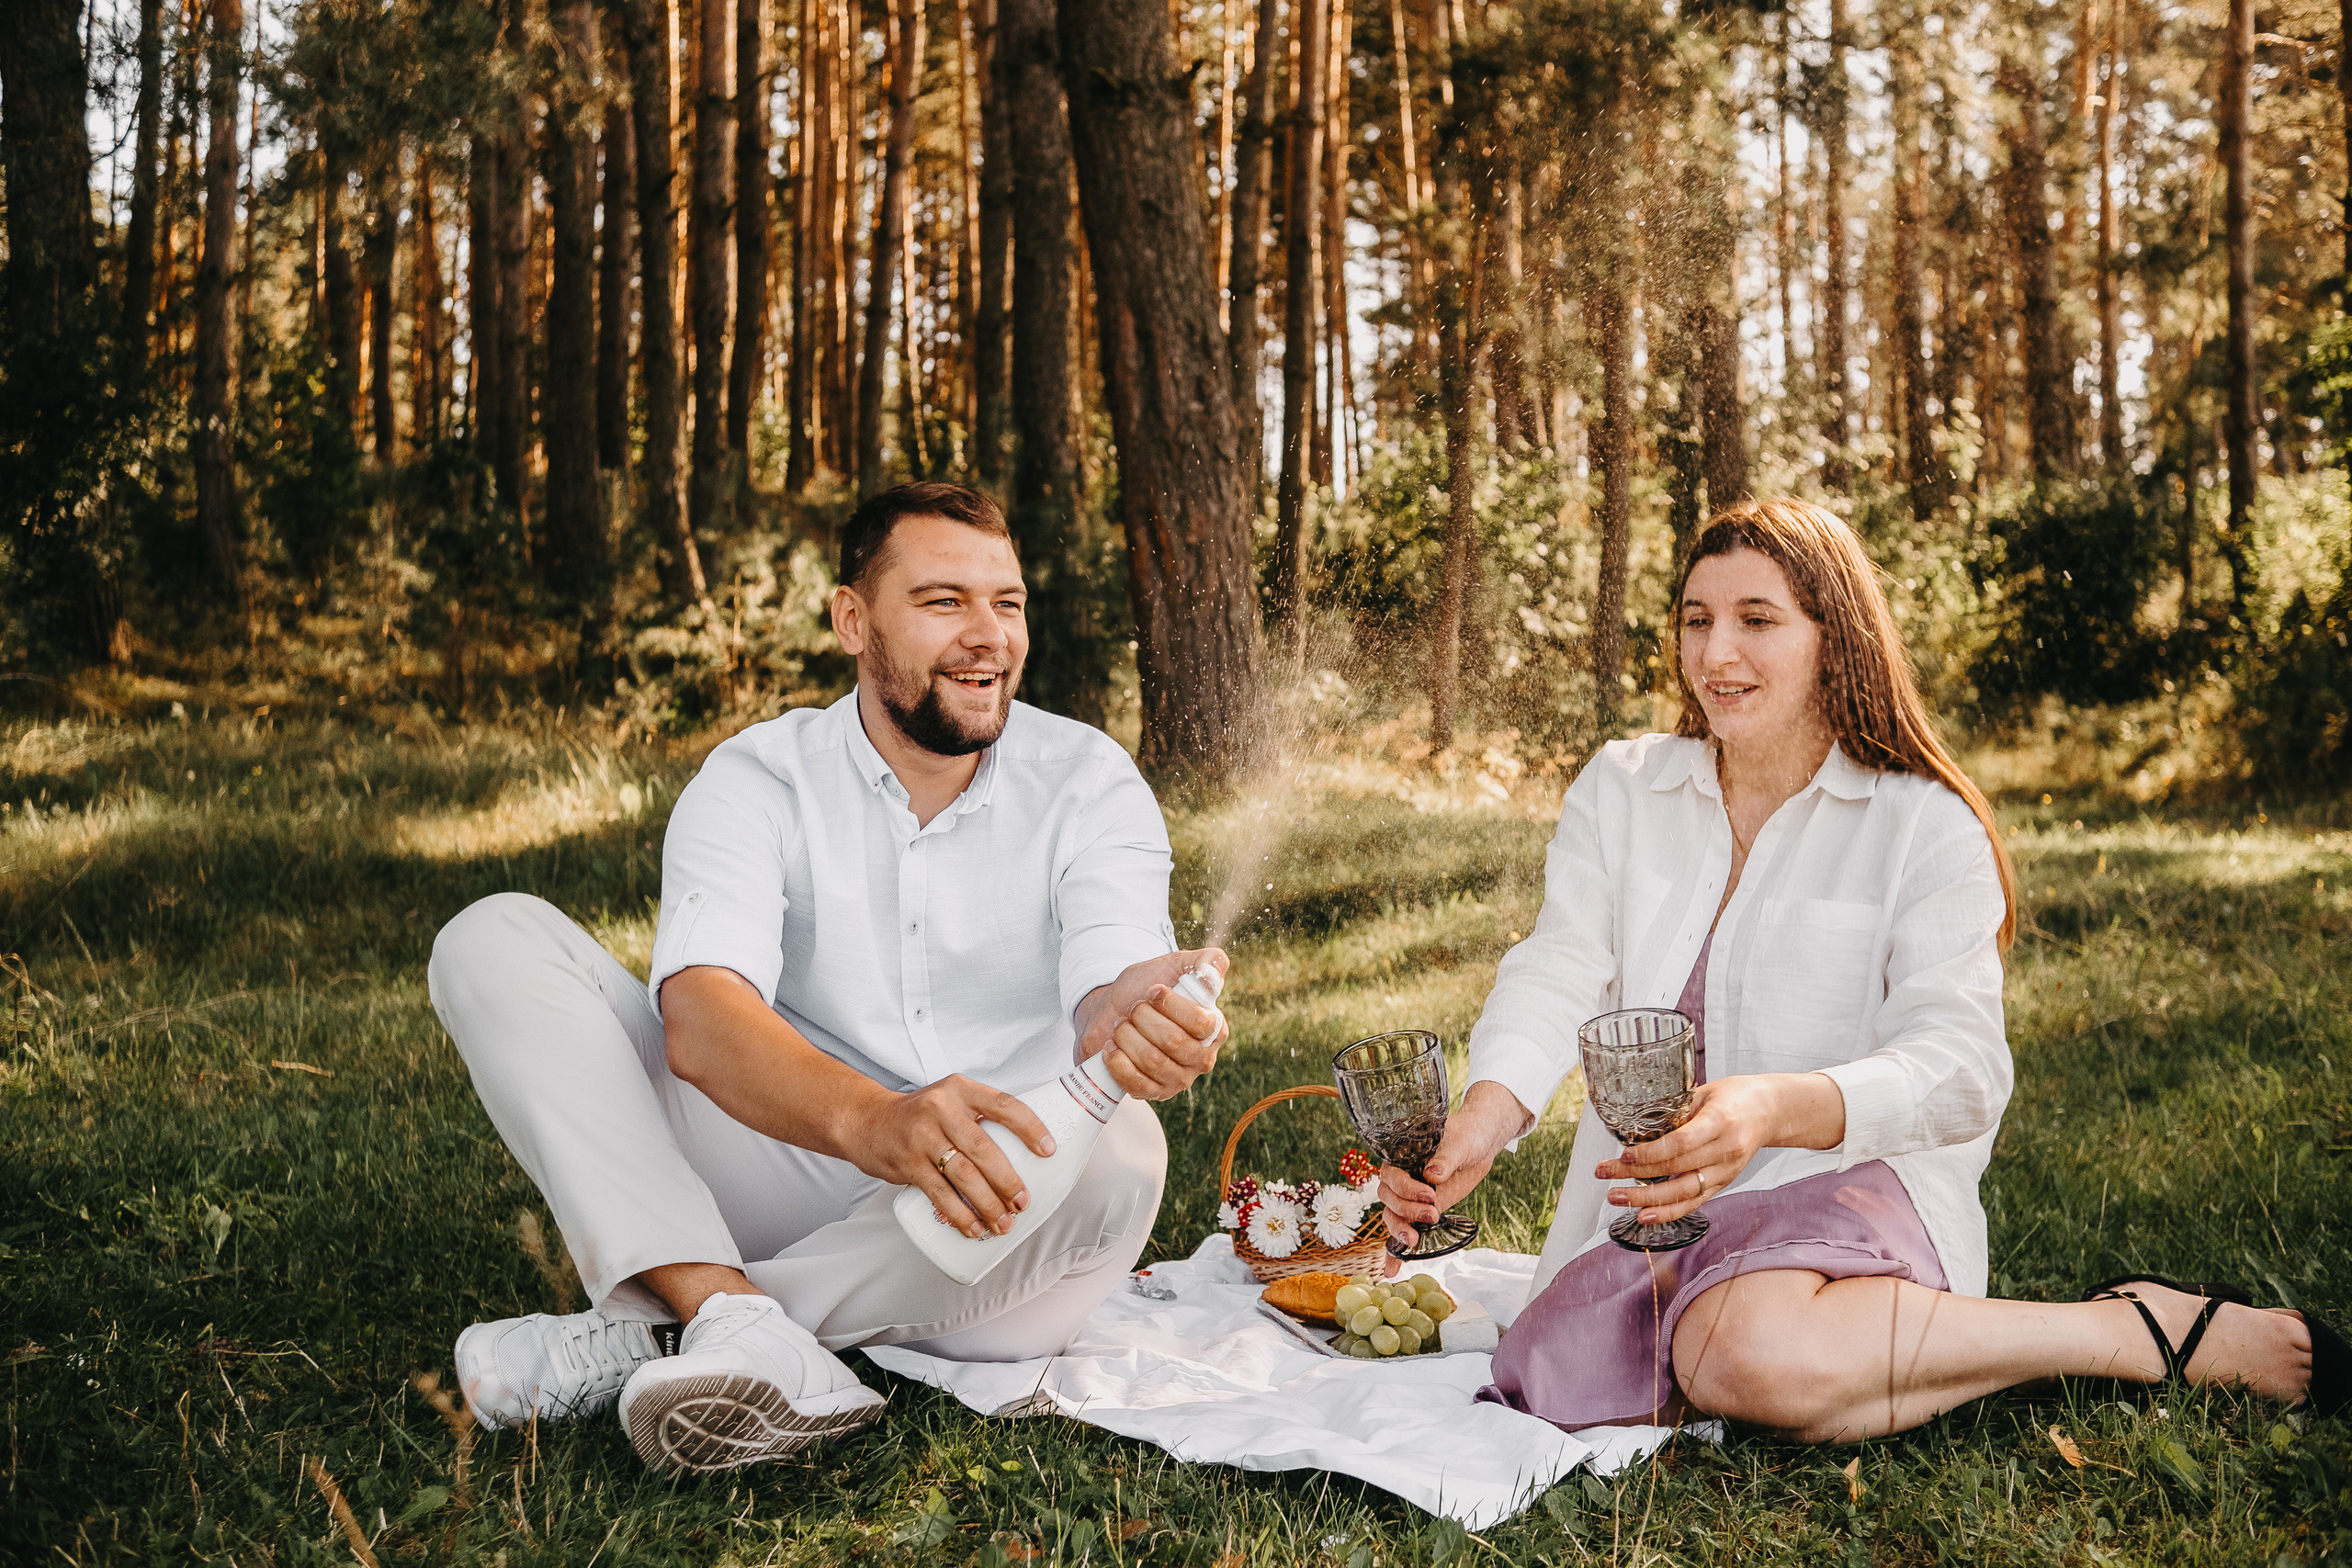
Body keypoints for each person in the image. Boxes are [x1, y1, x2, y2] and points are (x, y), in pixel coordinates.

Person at [1380, 499, 2343, 1438]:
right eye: (1697, 620)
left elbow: (1963, 1068)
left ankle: (2135, 1331)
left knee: (1742, 1351)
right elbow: (1558, 968)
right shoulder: (1622, 789)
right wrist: (1482, 1121)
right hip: (1670, 1213)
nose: (1716, 653)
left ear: (1833, 639)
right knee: (1712, 1350)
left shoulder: (1923, 822)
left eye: (1758, 620)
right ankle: (1958, 1348)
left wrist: (1774, 1109)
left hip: (1859, 1185)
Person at [428, 482, 1227, 1475]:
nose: (988, 635)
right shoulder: (759, 776)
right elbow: (701, 1019)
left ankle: (691, 1318)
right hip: (785, 1149)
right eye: (943, 602)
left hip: (990, 1222)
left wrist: (1141, 1013)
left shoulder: (1088, 779)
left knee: (1126, 1149)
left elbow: (1112, 978)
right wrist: (873, 1121)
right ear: (853, 619)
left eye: (1007, 603)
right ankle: (733, 1319)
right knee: (492, 936)